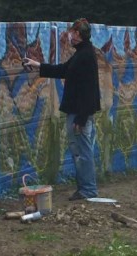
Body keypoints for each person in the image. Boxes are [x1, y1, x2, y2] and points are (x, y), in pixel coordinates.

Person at [24, 18, 101, 201]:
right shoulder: (81, 54)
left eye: (72, 32)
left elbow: (89, 89)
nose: (69, 35)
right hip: (76, 112)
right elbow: (64, 70)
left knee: (82, 151)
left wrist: (81, 118)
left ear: (78, 34)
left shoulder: (86, 56)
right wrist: (38, 66)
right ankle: (85, 188)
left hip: (80, 114)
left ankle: (88, 189)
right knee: (79, 151)